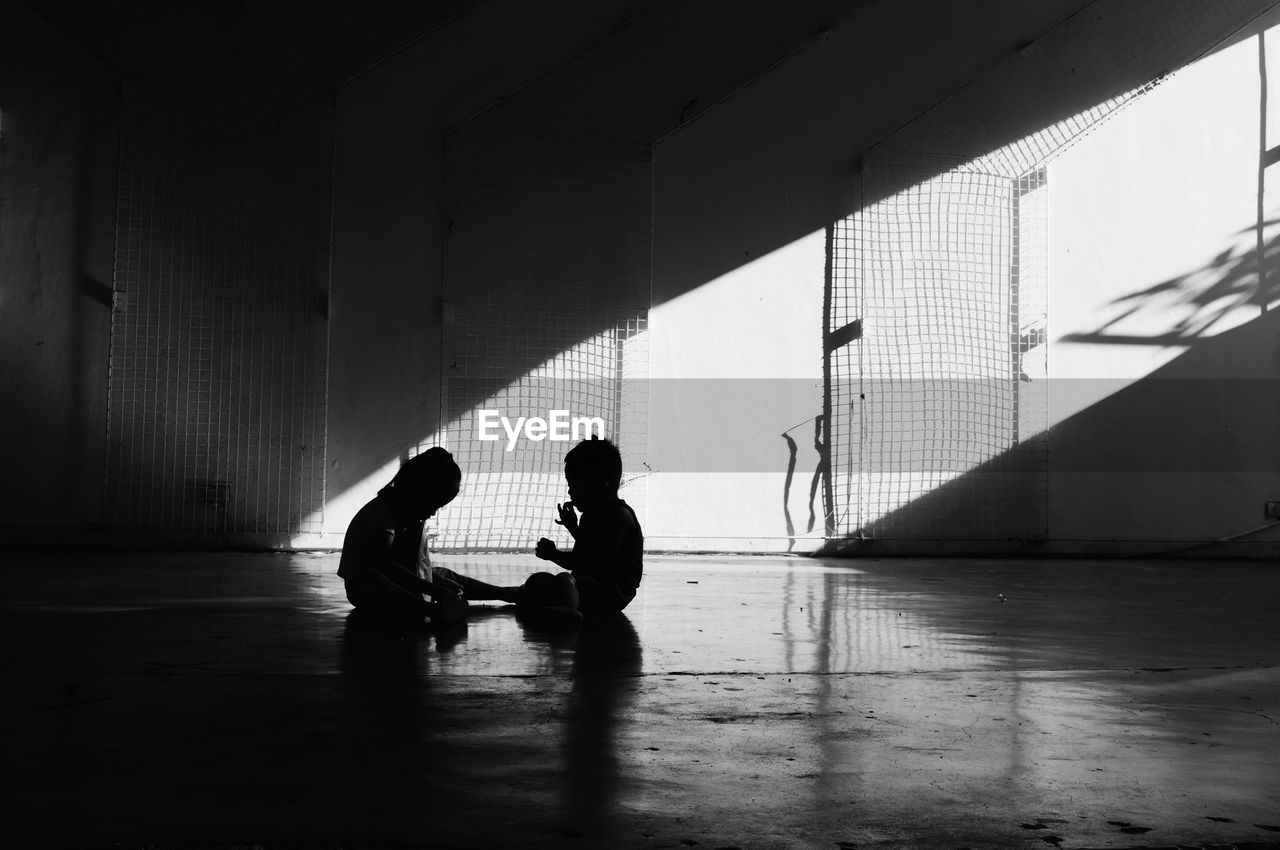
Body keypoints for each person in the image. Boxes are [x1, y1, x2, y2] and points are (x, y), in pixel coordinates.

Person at [435, 437, 643, 620]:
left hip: (611, 593)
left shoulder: (618, 516)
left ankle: (567, 611)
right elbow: (591, 553)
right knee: (540, 582)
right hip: (587, 586)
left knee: (564, 580)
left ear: (600, 488)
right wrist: (574, 529)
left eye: (574, 485)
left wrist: (554, 554)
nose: (570, 491)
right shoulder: (592, 514)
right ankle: (537, 598)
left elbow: (593, 561)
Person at [337, 447, 468, 623]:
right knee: (372, 581)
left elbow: (411, 570)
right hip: (366, 590)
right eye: (434, 505)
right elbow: (386, 568)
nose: (433, 513)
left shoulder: (410, 515)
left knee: (440, 575)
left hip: (398, 586)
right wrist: (435, 591)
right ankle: (430, 610)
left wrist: (438, 586)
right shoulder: (381, 516)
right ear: (417, 493)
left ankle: (506, 593)